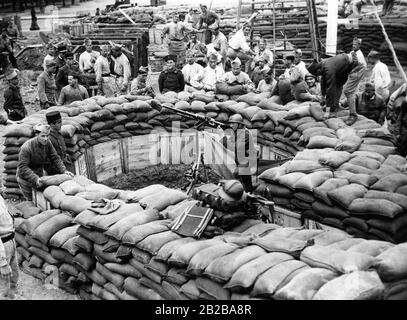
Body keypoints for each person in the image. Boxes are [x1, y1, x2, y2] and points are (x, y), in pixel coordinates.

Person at [17, 124, 72, 201]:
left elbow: (55, 158)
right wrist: (34, 178)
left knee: (42, 199)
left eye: (47, 136)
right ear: (36, 135)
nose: (45, 138)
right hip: (26, 178)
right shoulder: (26, 147)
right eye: (43, 136)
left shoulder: (47, 143)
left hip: (39, 174)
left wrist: (64, 170)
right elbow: (23, 167)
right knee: (30, 201)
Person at [307, 52, 357, 119]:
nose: (318, 75)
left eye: (317, 74)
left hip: (356, 64)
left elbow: (330, 89)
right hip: (344, 68)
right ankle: (334, 106)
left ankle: (353, 115)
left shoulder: (328, 69)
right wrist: (322, 96)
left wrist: (327, 111)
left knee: (348, 91)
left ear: (318, 70)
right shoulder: (323, 65)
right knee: (338, 85)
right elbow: (323, 82)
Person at [221, 114, 257, 192]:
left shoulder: (245, 133)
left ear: (239, 124)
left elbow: (235, 147)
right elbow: (228, 143)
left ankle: (247, 194)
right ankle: (247, 192)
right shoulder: (236, 132)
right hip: (240, 159)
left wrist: (223, 137)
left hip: (247, 161)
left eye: (233, 123)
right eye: (230, 123)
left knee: (238, 176)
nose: (231, 125)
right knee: (245, 180)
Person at [342, 37, 367, 125]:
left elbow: (356, 64)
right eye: (353, 44)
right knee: (350, 90)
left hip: (358, 70)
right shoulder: (353, 52)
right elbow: (349, 57)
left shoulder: (359, 55)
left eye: (355, 45)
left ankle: (353, 114)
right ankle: (346, 104)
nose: (353, 46)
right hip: (355, 70)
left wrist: (350, 71)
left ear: (359, 45)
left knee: (348, 91)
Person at [0, 193, 18, 299]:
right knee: (3, 283)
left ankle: (11, 296)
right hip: (2, 246)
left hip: (10, 241)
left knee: (14, 276)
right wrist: (2, 263)